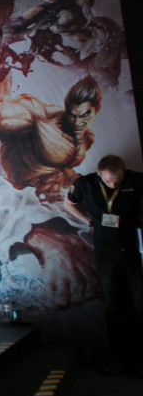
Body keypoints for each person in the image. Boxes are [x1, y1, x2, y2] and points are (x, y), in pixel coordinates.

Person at [64, 155, 143, 375]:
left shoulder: (135, 180)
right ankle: (118, 358)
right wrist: (87, 220)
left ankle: (138, 358)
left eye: (117, 181)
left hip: (132, 250)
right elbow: (68, 203)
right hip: (105, 253)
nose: (113, 185)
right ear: (99, 174)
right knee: (113, 306)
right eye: (109, 182)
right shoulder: (85, 184)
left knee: (138, 304)